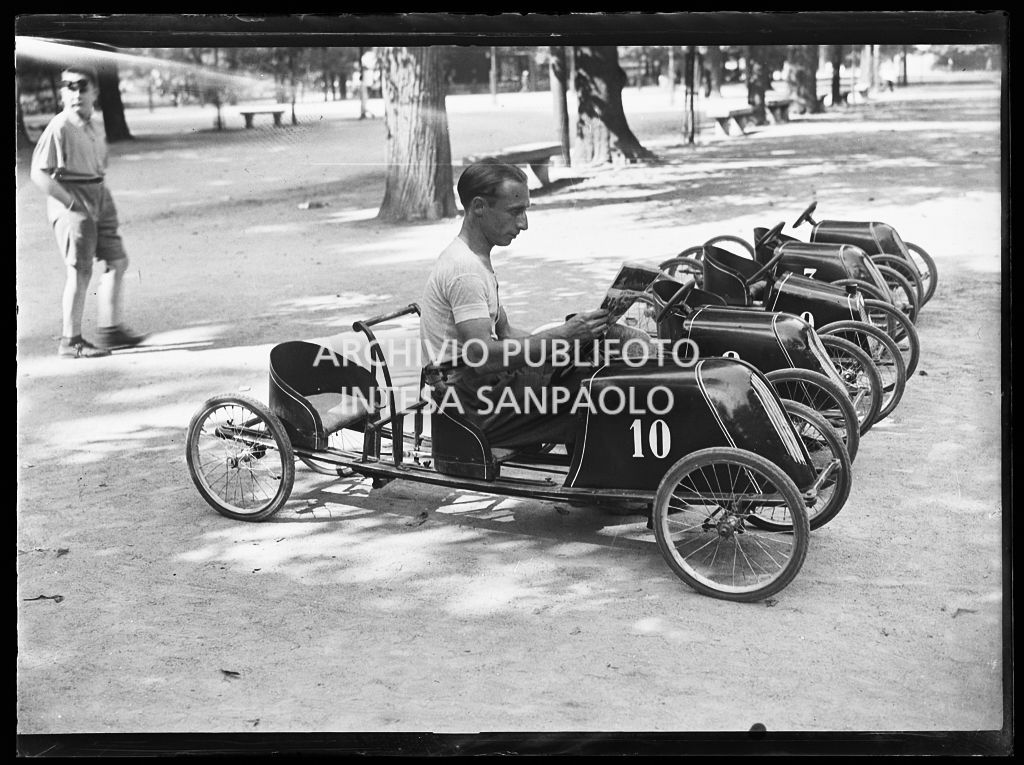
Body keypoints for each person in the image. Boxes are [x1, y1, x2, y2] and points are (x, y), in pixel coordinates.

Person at [419, 160, 648, 448]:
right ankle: (595, 473)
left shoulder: (473, 259)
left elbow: (506, 333)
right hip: (471, 404)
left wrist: (571, 347)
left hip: (482, 388)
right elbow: (482, 356)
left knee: (587, 372)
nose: (523, 224)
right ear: (478, 207)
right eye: (515, 211)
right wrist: (565, 336)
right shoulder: (465, 270)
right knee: (601, 393)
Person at [30, 63, 144, 358]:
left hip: (99, 196)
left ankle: (111, 330)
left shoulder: (95, 126)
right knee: (80, 271)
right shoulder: (59, 127)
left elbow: (99, 164)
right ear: (62, 93)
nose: (76, 93)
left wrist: (99, 198)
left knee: (118, 261)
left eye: (82, 87)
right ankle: (71, 341)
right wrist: (70, 204)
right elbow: (38, 173)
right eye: (69, 87)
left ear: (95, 92)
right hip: (72, 199)